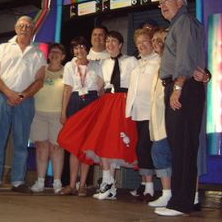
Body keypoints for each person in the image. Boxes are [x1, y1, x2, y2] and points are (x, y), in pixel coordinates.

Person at [58, 31, 138, 200]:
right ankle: (108, 184)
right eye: (107, 41)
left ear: (121, 44)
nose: (109, 44)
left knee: (118, 142)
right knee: (103, 142)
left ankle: (110, 184)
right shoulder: (103, 64)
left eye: (113, 41)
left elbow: (136, 83)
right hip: (108, 103)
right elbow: (101, 87)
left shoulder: (131, 61)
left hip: (123, 101)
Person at [155, 0, 206, 217]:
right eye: (159, 3)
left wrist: (177, 88)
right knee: (181, 146)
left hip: (182, 88)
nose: (161, 6)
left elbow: (186, 59)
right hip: (181, 87)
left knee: (183, 146)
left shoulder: (184, 21)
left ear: (179, 1)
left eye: (165, 1)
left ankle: (180, 203)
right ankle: (185, 199)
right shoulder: (179, 24)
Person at [148, 28, 210, 210]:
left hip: (181, 110)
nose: (159, 44)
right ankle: (169, 193)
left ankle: (193, 195)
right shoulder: (157, 64)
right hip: (162, 117)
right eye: (155, 41)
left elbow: (198, 71)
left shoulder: (182, 58)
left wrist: (206, 76)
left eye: (163, 40)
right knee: (167, 154)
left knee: (189, 153)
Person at [0, 15, 46, 193]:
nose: (24, 28)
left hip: (25, 102)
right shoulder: (3, 48)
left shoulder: (38, 53)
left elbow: (40, 80)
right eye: (21, 25)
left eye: (28, 25)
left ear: (33, 29)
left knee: (22, 142)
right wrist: (9, 93)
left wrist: (22, 96)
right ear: (15, 28)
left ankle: (18, 181)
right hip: (2, 98)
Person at [59, 36, 103, 197]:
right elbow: (67, 90)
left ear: (87, 48)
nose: (79, 51)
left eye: (82, 47)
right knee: (74, 146)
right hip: (75, 102)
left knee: (87, 145)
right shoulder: (69, 66)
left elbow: (101, 88)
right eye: (76, 48)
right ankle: (71, 184)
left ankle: (83, 184)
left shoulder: (97, 65)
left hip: (92, 102)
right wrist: (63, 112)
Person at [126, 28, 160, 200]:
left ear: (153, 42)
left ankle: (149, 187)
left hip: (153, 112)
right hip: (139, 112)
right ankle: (146, 185)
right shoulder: (138, 64)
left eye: (145, 41)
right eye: (138, 43)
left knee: (145, 147)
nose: (141, 45)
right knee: (142, 148)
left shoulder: (159, 62)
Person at [29, 43, 66, 194]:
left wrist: (65, 113)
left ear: (63, 56)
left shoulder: (67, 71)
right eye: (52, 52)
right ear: (48, 55)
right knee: (41, 148)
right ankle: (40, 181)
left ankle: (57, 182)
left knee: (56, 148)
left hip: (58, 115)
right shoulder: (41, 69)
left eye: (58, 52)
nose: (54, 54)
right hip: (39, 114)